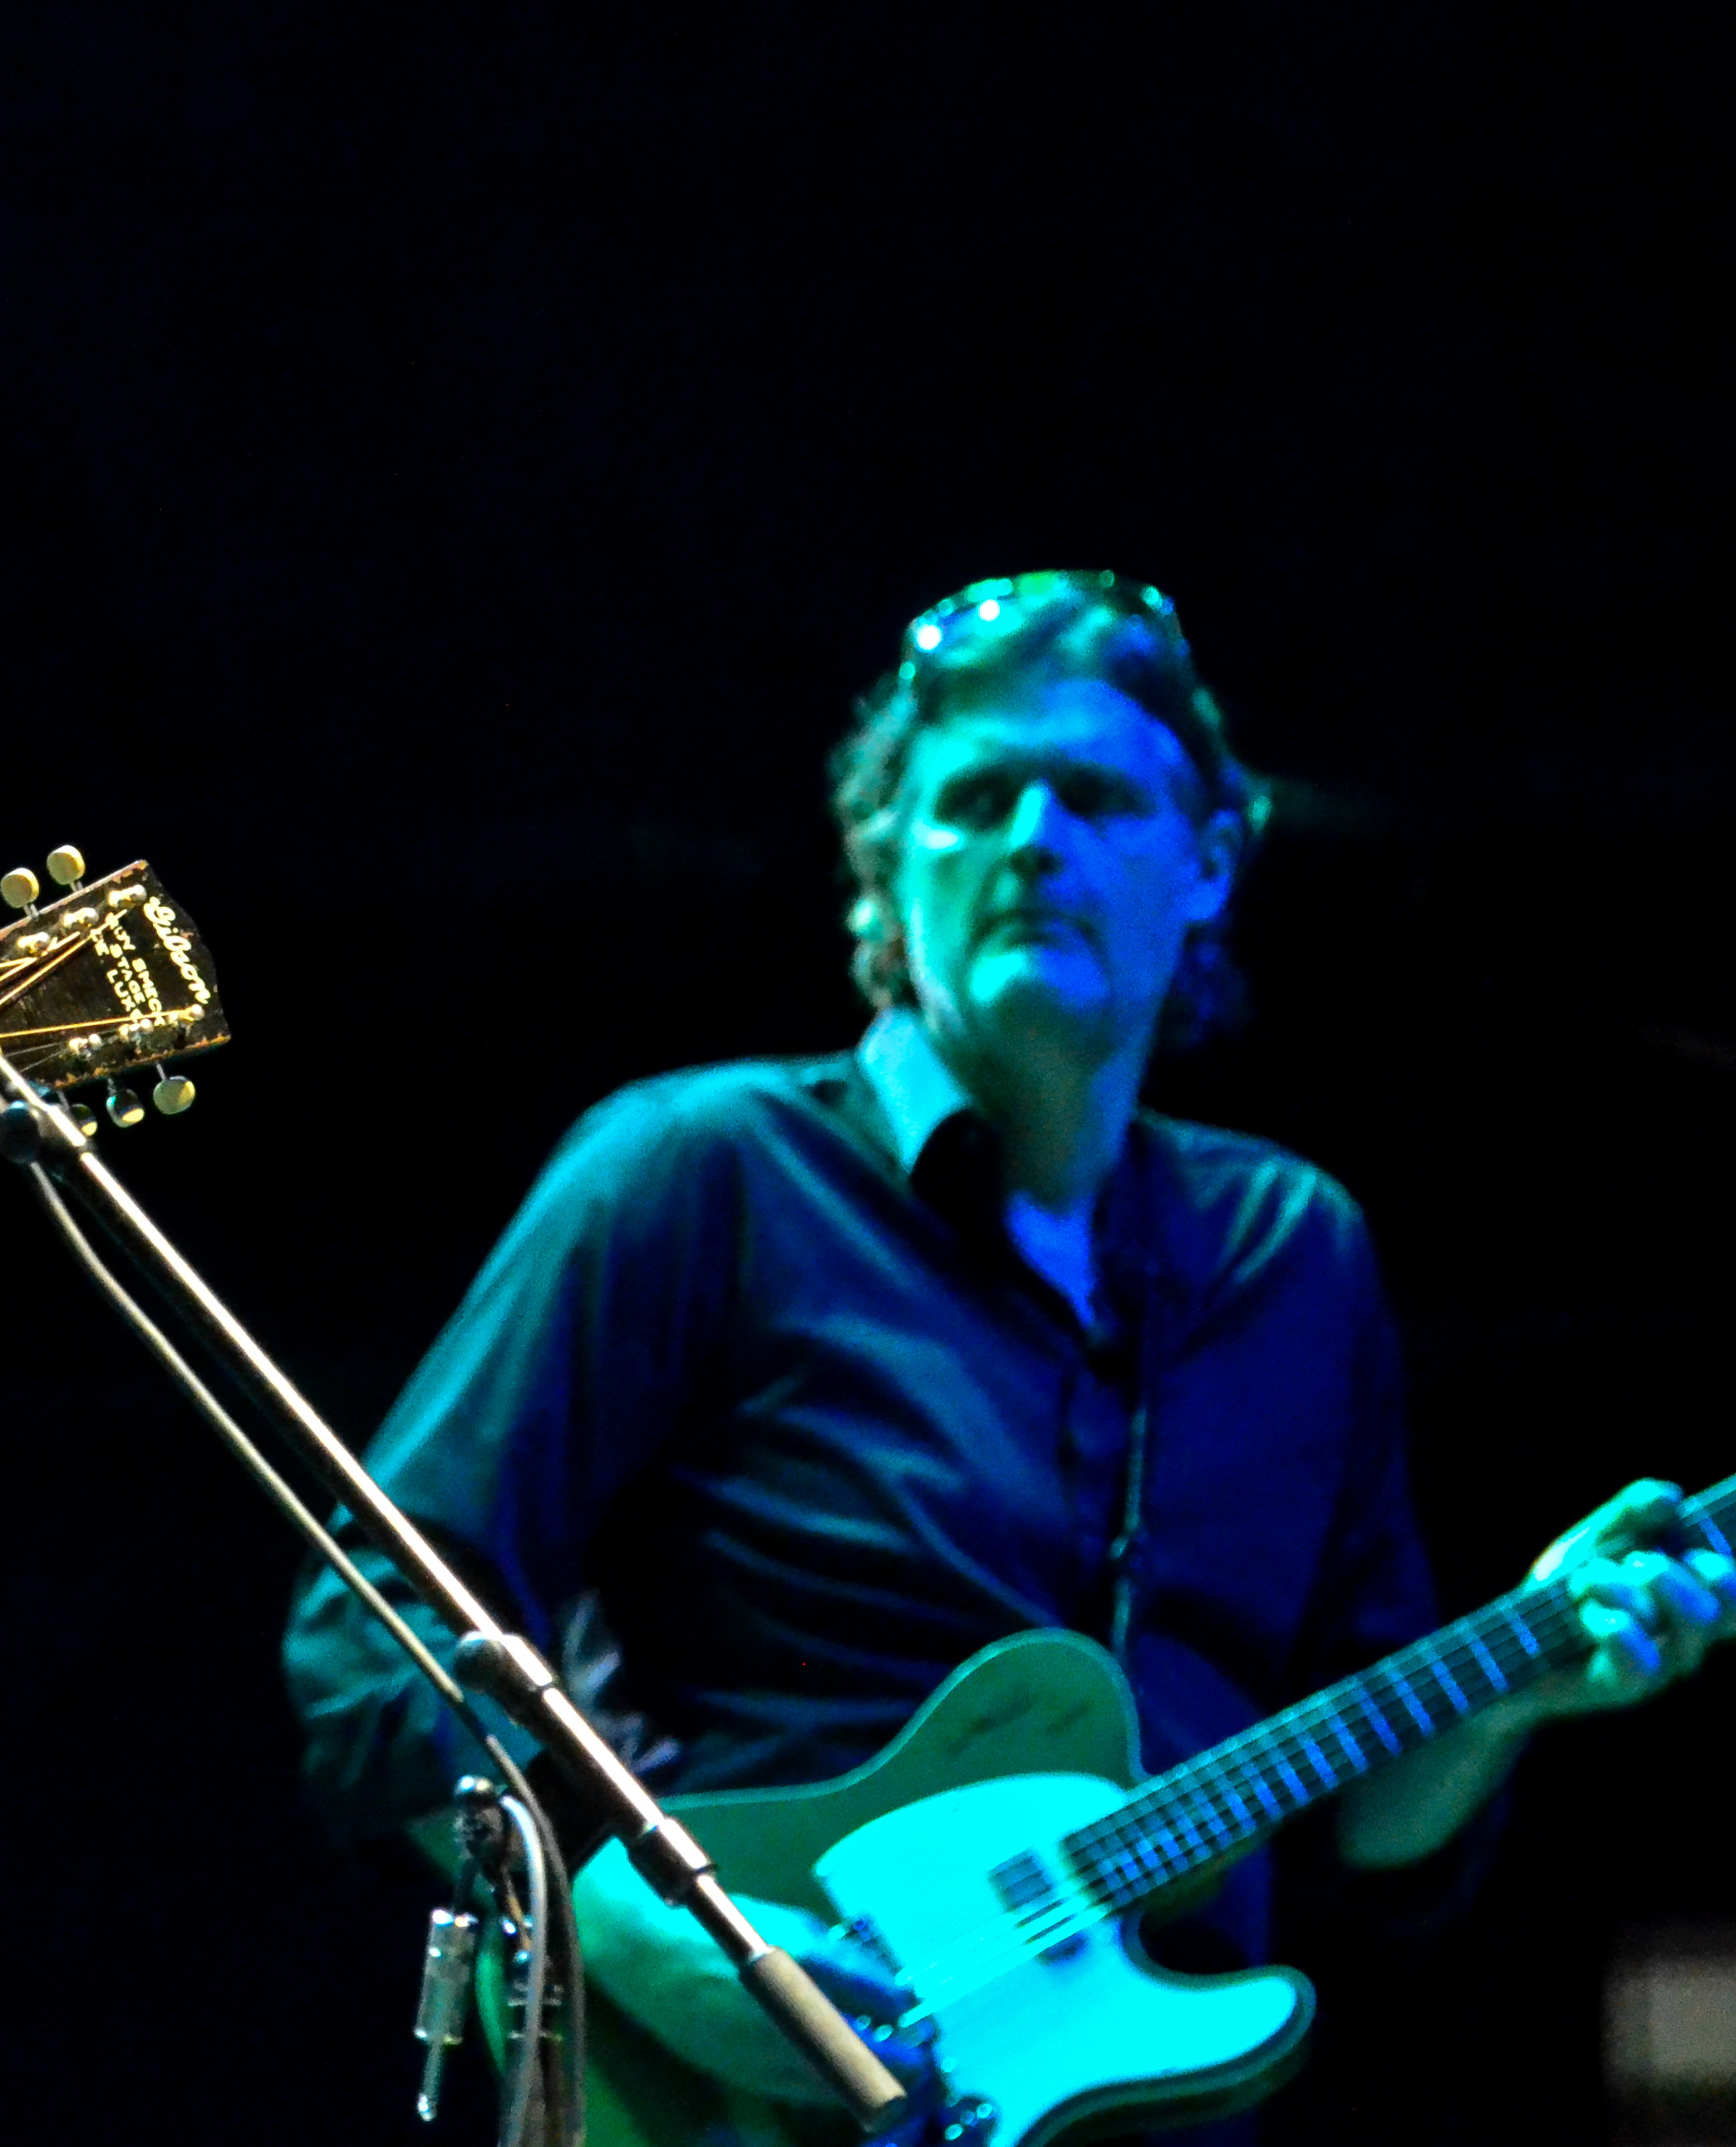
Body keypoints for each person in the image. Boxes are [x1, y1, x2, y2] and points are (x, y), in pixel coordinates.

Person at [280, 571, 1729, 2137]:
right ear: (885, 875)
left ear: (1210, 865)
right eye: (976, 800)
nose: (1035, 839)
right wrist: (652, 1931)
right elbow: (378, 1640)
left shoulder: (1293, 1254)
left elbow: (1362, 1839)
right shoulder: (702, 1174)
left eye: (1099, 797)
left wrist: (1514, 1680)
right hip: (734, 2098)